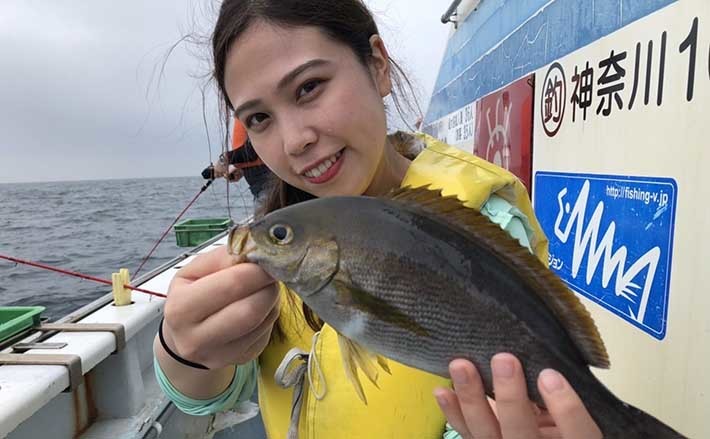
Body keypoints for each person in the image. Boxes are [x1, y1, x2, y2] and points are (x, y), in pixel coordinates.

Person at [154, 1, 604, 438]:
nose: (294, 141)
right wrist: (183, 349)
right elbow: (216, 395)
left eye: (309, 87)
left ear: (378, 65)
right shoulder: (281, 243)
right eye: (258, 118)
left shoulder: (486, 220)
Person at [201, 119, 274, 203]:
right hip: (262, 188)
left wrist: (224, 159)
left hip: (269, 187)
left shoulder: (251, 111)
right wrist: (240, 169)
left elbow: (258, 146)